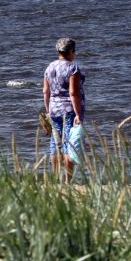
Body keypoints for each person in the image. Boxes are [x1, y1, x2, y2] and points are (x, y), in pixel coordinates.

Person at [43, 37, 85, 180]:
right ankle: (67, 180)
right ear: (71, 52)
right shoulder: (72, 68)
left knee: (55, 143)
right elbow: (73, 93)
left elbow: (45, 91)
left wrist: (47, 110)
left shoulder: (50, 67)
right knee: (69, 143)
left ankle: (55, 179)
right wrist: (78, 114)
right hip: (69, 110)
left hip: (54, 109)